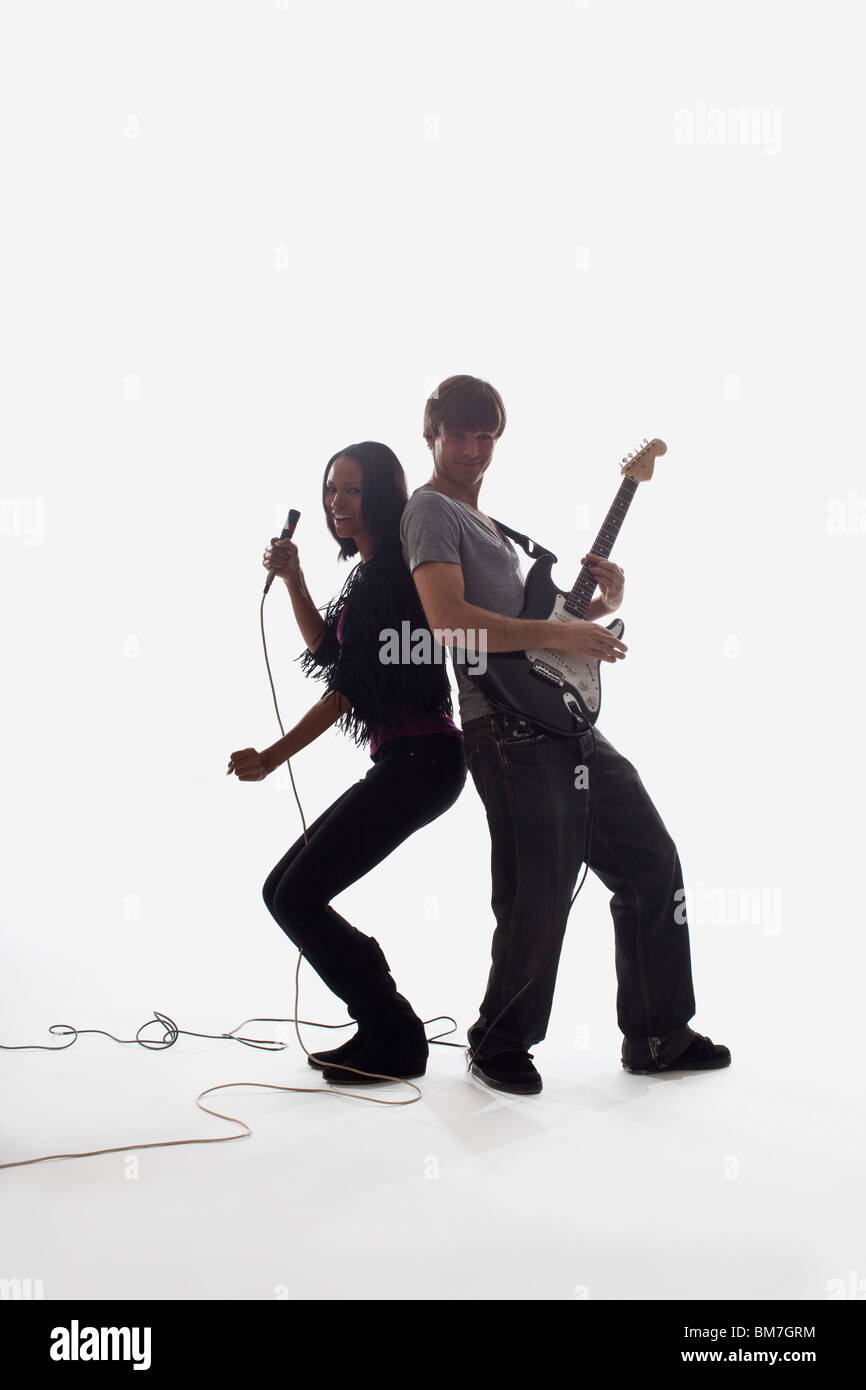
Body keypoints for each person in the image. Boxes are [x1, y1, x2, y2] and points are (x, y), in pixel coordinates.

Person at [399, 375, 730, 1095]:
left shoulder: (493, 528)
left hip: (561, 719)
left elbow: (535, 627)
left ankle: (658, 1035)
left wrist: (599, 606)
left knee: (651, 863)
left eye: (484, 435)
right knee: (538, 891)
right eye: (457, 433)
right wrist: (559, 628)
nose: (471, 448)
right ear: (431, 432)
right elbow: (451, 621)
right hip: (505, 728)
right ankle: (498, 1043)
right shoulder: (429, 511)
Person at [227, 442, 466, 1083]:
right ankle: (383, 1027)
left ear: (382, 496)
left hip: (424, 760)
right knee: (284, 891)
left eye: (353, 490)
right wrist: (296, 579)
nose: (337, 501)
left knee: (297, 895)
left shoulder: (391, 576)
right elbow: (329, 651)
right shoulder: (367, 578)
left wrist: (273, 756)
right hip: (408, 761)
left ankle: (394, 1033)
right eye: (332, 488)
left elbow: (348, 690)